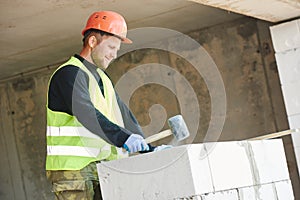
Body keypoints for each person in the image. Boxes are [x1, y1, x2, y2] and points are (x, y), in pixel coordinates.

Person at [45, 10, 169, 200]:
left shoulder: (103, 78)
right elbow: (86, 114)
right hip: (74, 173)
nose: (114, 55)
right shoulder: (68, 74)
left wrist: (148, 150)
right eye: (111, 47)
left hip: (103, 168)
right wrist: (123, 139)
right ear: (93, 41)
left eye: (116, 50)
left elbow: (124, 116)